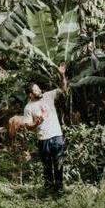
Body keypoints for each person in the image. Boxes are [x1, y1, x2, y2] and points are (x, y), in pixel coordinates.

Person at [24, 63, 68, 194]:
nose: (39, 91)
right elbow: (28, 127)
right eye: (36, 90)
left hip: (57, 136)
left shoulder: (48, 95)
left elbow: (63, 88)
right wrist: (37, 122)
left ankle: (59, 188)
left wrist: (62, 74)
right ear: (30, 95)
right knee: (47, 166)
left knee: (59, 163)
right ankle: (49, 189)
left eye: (38, 89)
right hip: (43, 139)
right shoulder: (28, 108)